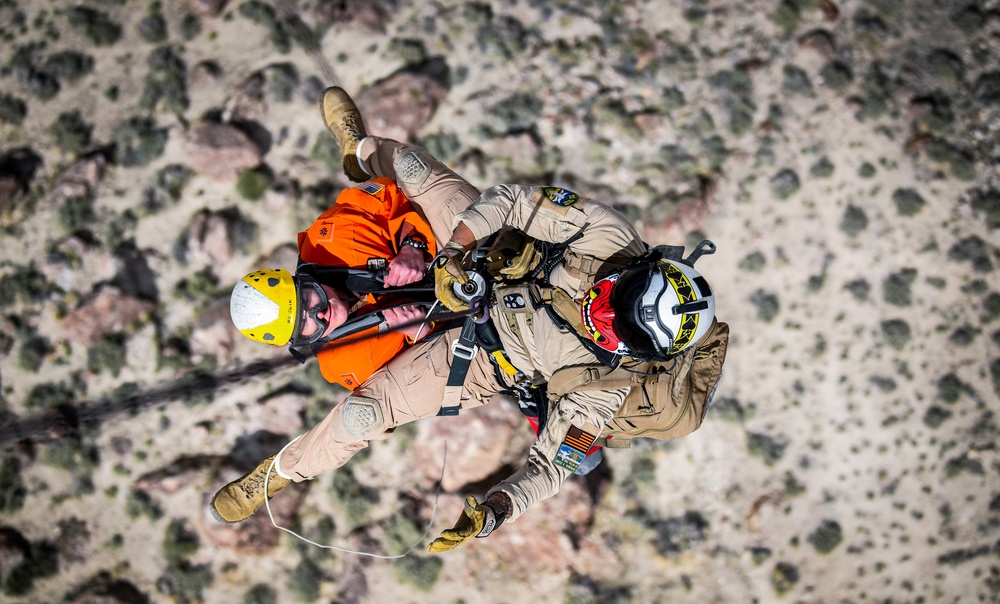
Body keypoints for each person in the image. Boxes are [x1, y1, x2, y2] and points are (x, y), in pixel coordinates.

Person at [211, 89, 726, 553]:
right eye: (625, 292)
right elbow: (511, 201)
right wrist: (454, 253)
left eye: (624, 328)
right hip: (489, 263)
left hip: (489, 356)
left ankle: (273, 475)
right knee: (411, 167)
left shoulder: (609, 388)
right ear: (643, 269)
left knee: (364, 416)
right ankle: (362, 150)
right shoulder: (609, 236)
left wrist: (495, 511)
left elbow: (550, 467)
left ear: (641, 350)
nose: (605, 310)